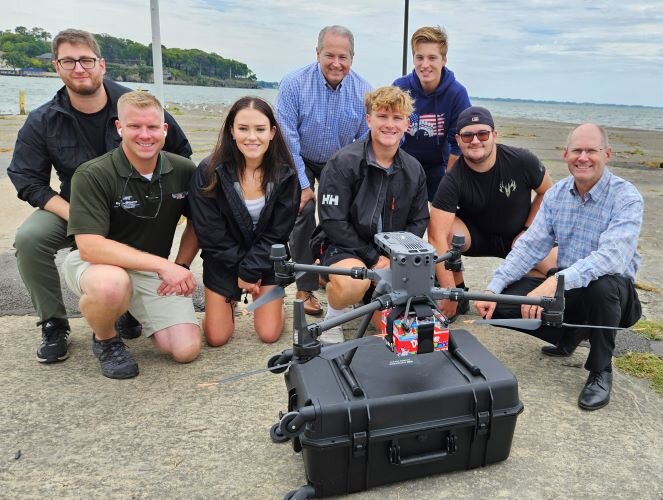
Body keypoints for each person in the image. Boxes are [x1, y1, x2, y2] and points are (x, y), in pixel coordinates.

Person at [7, 28, 192, 364]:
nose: (79, 68)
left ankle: (131, 307)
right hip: (73, 204)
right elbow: (26, 178)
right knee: (30, 237)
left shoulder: (134, 107)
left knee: (184, 346)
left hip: (131, 202)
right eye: (69, 61)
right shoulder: (42, 120)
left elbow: (179, 152)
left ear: (101, 64)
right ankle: (54, 322)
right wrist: (75, 214)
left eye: (86, 60)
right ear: (56, 66)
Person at [475, 123, 643, 411]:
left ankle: (600, 371)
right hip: (569, 287)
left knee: (603, 287)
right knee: (501, 306)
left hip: (613, 293)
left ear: (607, 154)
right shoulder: (556, 195)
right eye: (577, 150)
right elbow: (530, 246)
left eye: (592, 150)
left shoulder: (626, 197)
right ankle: (570, 335)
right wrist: (494, 288)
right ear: (566, 154)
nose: (583, 157)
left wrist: (552, 283)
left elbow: (610, 259)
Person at [61, 91, 201, 379]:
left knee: (184, 350)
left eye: (152, 127)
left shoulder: (184, 169)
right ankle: (106, 339)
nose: (144, 135)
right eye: (135, 126)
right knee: (112, 285)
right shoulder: (92, 174)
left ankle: (129, 309)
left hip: (150, 270)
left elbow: (198, 223)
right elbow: (88, 246)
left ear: (164, 130)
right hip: (99, 266)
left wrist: (182, 265)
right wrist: (165, 265)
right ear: (119, 128)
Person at [311, 86, 429, 343]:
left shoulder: (414, 168)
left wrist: (397, 255)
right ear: (369, 119)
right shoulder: (342, 162)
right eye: (383, 116)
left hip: (391, 255)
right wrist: (373, 259)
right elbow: (332, 221)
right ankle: (333, 316)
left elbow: (419, 219)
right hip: (343, 247)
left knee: (400, 330)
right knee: (355, 281)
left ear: (407, 124)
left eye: (397, 118)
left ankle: (366, 300)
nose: (390, 124)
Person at [276, 25, 372, 316]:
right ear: (317, 53)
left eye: (343, 56)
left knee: (346, 212)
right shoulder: (293, 84)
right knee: (304, 210)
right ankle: (305, 288)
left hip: (340, 162)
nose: (336, 63)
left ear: (352, 58)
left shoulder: (364, 90)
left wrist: (345, 184)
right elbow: (287, 138)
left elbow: (362, 141)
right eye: (329, 55)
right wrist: (305, 185)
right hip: (298, 157)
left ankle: (332, 267)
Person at [188, 97, 300, 346]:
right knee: (217, 338)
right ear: (231, 131)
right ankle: (227, 303)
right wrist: (242, 271)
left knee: (269, 334)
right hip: (223, 260)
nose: (252, 137)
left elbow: (278, 233)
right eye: (243, 129)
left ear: (272, 132)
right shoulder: (208, 172)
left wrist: (252, 270)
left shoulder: (285, 174)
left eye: (260, 129)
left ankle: (276, 304)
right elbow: (210, 234)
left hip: (267, 258)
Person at [428, 106, 556, 320]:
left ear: (494, 135)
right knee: (445, 230)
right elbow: (435, 236)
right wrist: (448, 292)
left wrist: (528, 230)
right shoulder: (453, 177)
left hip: (518, 236)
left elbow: (547, 192)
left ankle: (527, 287)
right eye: (467, 135)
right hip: (476, 237)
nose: (475, 140)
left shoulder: (522, 160)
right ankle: (460, 294)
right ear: (458, 140)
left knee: (556, 269)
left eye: (482, 133)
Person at [393, 26, 471, 201]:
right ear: (413, 58)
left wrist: (450, 182)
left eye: (432, 58)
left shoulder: (457, 93)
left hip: (439, 166)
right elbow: (387, 130)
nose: (425, 64)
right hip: (403, 164)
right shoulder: (400, 87)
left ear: (444, 60)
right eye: (419, 57)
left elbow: (458, 143)